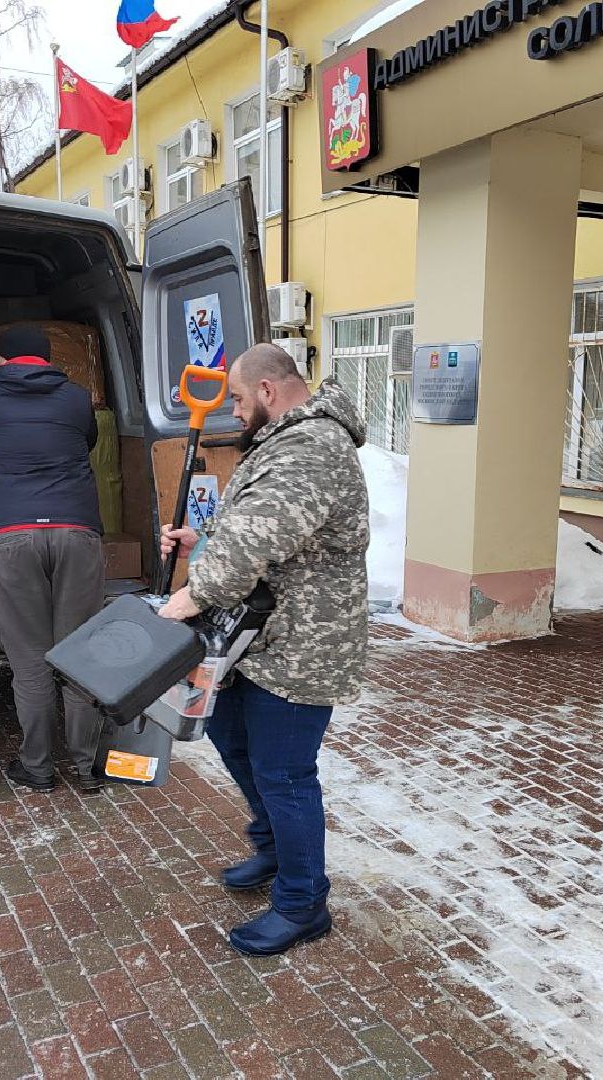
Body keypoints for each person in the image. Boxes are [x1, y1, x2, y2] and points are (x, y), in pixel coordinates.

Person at [158, 344, 370, 956]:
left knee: (285, 772)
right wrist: (207, 537)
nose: (232, 410)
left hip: (304, 645)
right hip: (258, 638)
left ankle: (303, 902)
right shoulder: (285, 440)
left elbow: (256, 540)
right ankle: (274, 849)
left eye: (237, 398)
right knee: (231, 737)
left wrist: (185, 600)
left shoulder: (313, 447)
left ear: (269, 391)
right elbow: (263, 527)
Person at [0, 325, 107, 793]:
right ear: (47, 359)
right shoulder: (78, 399)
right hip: (77, 532)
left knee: (31, 664)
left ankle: (37, 767)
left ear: (0, 358)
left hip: (11, 535)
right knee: (78, 657)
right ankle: (86, 768)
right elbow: (87, 443)